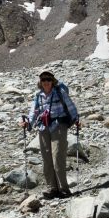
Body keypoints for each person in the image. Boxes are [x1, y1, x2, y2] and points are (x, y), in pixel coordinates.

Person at [21, 71, 79, 200]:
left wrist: (76, 119)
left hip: (59, 125)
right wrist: (28, 123)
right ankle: (52, 188)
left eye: (48, 80)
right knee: (46, 159)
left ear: (53, 81)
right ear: (40, 82)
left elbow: (71, 106)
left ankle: (64, 189)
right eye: (43, 80)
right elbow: (34, 112)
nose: (46, 82)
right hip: (43, 127)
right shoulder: (38, 96)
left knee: (57, 156)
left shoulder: (59, 93)